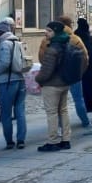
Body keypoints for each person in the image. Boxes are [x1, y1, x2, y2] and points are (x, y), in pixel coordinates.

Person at [39, 16, 92, 135]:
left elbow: (42, 57)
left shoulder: (46, 41)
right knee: (78, 99)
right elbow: (84, 57)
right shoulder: (75, 39)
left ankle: (60, 129)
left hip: (56, 76)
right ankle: (86, 124)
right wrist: (79, 72)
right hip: (73, 75)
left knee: (58, 104)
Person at [35, 21, 76, 151]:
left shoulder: (52, 48)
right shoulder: (67, 44)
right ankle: (66, 139)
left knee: (52, 113)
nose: (45, 33)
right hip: (64, 83)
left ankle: (52, 141)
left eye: (48, 30)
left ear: (55, 32)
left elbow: (47, 70)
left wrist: (37, 79)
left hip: (52, 85)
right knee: (63, 111)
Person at [0, 21, 27, 149]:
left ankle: (9, 141)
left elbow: (4, 64)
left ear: (0, 32)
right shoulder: (18, 42)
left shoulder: (3, 44)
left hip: (8, 81)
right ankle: (21, 140)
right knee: (20, 111)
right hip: (21, 79)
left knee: (6, 112)